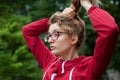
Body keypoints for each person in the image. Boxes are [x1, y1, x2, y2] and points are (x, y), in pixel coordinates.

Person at [22, 0, 119, 80]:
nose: (50, 40)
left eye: (56, 34)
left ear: (73, 39)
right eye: (49, 36)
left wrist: (86, 4)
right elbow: (28, 31)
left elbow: (109, 30)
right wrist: (59, 18)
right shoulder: (49, 62)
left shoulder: (89, 68)